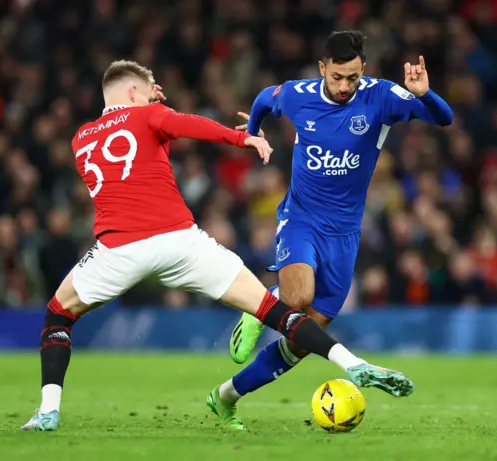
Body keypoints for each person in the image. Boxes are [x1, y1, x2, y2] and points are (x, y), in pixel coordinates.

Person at [21, 60, 415, 432]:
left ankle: (48, 411)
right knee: (272, 309)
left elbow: (136, 152)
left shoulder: (81, 138)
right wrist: (240, 137)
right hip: (180, 241)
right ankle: (351, 361)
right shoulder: (150, 114)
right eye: (147, 93)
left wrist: (149, 108)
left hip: (118, 249)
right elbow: (185, 125)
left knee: (58, 316)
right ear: (133, 91)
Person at [212, 31, 452, 429]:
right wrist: (252, 132)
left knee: (300, 342)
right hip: (301, 218)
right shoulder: (296, 94)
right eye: (337, 77)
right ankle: (265, 303)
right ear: (322, 69)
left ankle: (226, 396)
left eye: (353, 78)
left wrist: (424, 94)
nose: (345, 87)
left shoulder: (382, 97)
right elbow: (262, 101)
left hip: (345, 234)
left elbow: (444, 119)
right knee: (298, 296)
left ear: (364, 71)